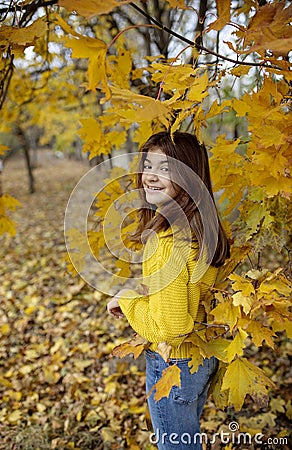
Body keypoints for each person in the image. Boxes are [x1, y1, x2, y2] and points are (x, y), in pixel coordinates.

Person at [107, 131, 230, 449]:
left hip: (172, 363)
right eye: (148, 165)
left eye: (165, 168)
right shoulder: (205, 229)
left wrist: (130, 301)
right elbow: (189, 290)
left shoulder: (169, 243)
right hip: (201, 358)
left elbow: (173, 328)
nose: (150, 176)